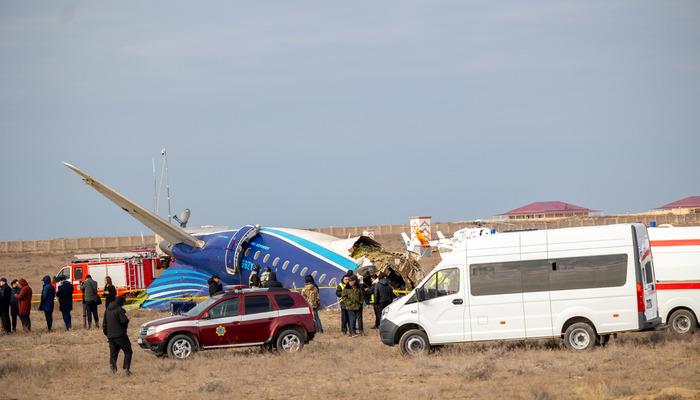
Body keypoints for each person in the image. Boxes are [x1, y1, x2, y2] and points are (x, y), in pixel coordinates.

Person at [103, 296, 132, 375]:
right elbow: (123, 321)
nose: (123, 304)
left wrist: (107, 334)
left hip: (111, 336)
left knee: (113, 354)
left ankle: (113, 370)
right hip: (121, 336)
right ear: (121, 302)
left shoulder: (107, 310)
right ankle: (126, 369)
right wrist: (127, 320)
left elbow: (104, 324)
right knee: (128, 352)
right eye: (123, 302)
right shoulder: (120, 310)